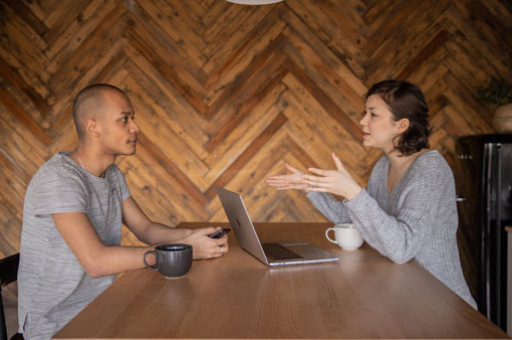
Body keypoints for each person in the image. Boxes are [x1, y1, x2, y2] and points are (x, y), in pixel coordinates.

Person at [17, 84, 229, 339]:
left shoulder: (112, 175)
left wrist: (195, 236)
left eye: (133, 119)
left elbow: (146, 229)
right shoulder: (59, 179)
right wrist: (184, 252)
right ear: (93, 127)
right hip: (58, 324)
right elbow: (96, 262)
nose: (135, 128)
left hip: (102, 307)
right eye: (124, 120)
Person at [266, 80, 477, 308]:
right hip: (403, 296)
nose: (362, 121)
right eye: (364, 112)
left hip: (441, 305)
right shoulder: (383, 166)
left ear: (401, 125)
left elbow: (402, 248)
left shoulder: (430, 170)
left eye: (373, 114)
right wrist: (311, 189)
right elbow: (360, 222)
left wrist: (353, 193)